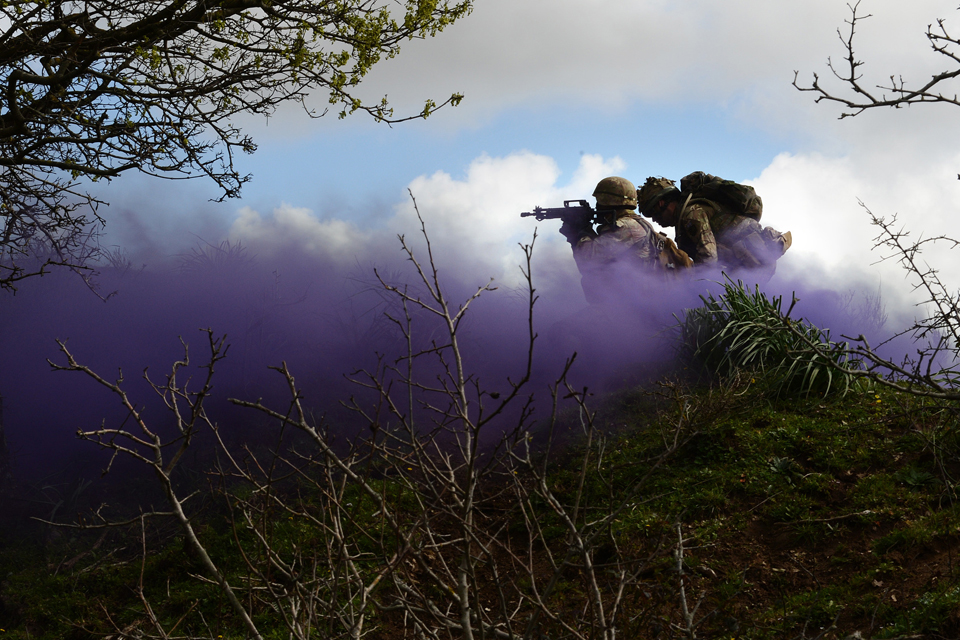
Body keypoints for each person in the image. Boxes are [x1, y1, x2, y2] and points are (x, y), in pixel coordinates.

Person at [558, 176, 690, 304]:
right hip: (627, 302)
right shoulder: (628, 224)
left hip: (633, 305)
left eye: (600, 201)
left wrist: (579, 231)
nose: (597, 206)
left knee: (562, 327)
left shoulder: (627, 227)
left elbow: (588, 260)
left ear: (609, 202)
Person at [637, 173, 792, 280]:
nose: (655, 220)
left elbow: (708, 256)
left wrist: (692, 286)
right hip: (751, 264)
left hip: (752, 264)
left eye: (653, 213)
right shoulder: (686, 217)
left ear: (661, 203)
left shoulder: (691, 214)